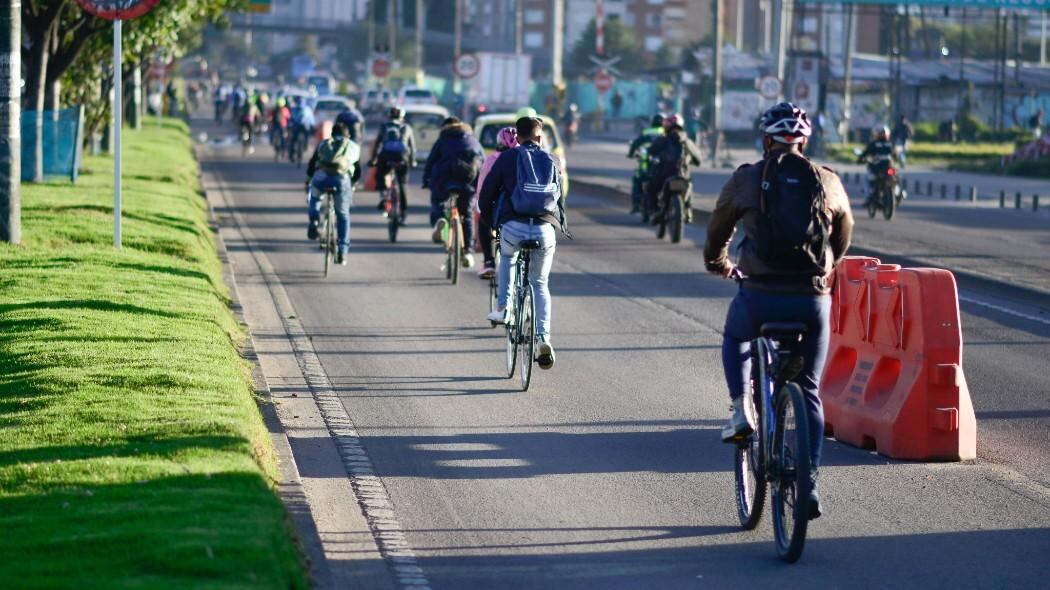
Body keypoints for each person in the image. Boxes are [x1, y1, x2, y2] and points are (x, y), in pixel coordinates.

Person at [703, 102, 854, 520]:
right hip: (811, 300)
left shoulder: (747, 178)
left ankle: (740, 409)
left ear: (765, 139)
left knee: (737, 335)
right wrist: (826, 270)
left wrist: (717, 263)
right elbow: (843, 236)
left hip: (759, 295)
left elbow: (718, 228)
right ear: (805, 142)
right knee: (808, 388)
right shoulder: (828, 181)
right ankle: (809, 483)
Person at [479, 117, 569, 370]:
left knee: (507, 257)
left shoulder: (508, 157)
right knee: (539, 283)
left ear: (517, 138)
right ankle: (544, 338)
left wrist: (490, 222)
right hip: (544, 229)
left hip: (513, 226)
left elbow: (487, 194)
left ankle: (504, 308)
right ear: (540, 138)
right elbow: (559, 198)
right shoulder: (552, 159)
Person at [422, 117, 485, 269]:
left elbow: (431, 161)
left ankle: (439, 220)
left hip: (444, 180)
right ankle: (468, 251)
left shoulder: (443, 140)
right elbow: (482, 162)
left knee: (438, 200)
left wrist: (426, 180)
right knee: (468, 214)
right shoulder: (473, 140)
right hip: (467, 181)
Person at [305, 122, 361, 265]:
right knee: (343, 215)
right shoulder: (352, 146)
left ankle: (314, 220)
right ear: (347, 135)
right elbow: (357, 171)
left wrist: (309, 178)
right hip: (341, 180)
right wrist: (352, 184)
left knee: (315, 196)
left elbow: (312, 163)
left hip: (322, 177)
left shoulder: (324, 144)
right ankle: (342, 251)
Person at [474, 126, 519, 278]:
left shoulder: (492, 160)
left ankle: (488, 262)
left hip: (497, 208)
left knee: (484, 224)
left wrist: (480, 206)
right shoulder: (524, 157)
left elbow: (482, 187)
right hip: (522, 208)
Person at [645, 113, 703, 225]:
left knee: (649, 187)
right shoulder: (687, 141)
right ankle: (688, 210)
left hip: (664, 177)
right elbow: (699, 160)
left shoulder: (663, 140)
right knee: (690, 186)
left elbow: (650, 151)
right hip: (682, 177)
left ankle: (655, 211)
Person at [370, 107, 416, 211]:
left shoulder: (384, 126)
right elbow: (412, 147)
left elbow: (378, 144)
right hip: (402, 158)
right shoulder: (407, 127)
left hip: (386, 157)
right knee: (403, 185)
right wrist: (412, 161)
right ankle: (403, 214)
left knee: (379, 175)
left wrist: (373, 159)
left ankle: (384, 196)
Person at [626, 113, 665, 215]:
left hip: (646, 167)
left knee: (637, 179)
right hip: (662, 168)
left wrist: (630, 154)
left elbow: (635, 144)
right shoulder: (666, 133)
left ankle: (635, 204)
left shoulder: (647, 132)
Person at [856, 125, 896, 207]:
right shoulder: (891, 144)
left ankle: (868, 197)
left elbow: (864, 154)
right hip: (889, 168)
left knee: (866, 179)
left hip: (877, 169)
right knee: (895, 177)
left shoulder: (874, 144)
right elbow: (896, 155)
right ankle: (896, 192)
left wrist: (860, 159)